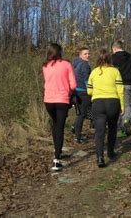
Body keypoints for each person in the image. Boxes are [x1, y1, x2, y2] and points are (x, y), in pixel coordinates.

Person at [42, 43, 77, 171]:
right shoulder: (66, 64)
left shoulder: (45, 66)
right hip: (62, 100)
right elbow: (73, 85)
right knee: (60, 127)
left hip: (48, 100)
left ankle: (56, 148)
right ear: (60, 52)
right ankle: (56, 159)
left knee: (55, 124)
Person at [87, 49, 124, 168]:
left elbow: (89, 90)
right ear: (110, 59)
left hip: (98, 103)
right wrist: (122, 105)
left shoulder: (93, 72)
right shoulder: (115, 71)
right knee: (112, 128)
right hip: (113, 102)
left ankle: (100, 158)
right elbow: (120, 90)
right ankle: (111, 152)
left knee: (99, 131)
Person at [111, 40, 131, 137]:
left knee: (117, 105)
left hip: (115, 85)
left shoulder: (112, 58)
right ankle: (126, 122)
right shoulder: (130, 56)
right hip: (128, 84)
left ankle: (119, 127)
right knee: (127, 104)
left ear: (114, 48)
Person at [72, 46, 92, 143]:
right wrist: (91, 91)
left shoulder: (76, 64)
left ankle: (75, 128)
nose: (88, 55)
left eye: (88, 53)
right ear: (80, 55)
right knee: (82, 114)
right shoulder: (84, 64)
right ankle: (78, 137)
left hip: (77, 91)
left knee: (81, 113)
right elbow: (86, 79)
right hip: (83, 91)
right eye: (85, 54)